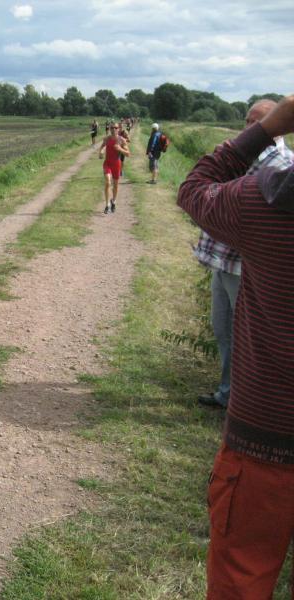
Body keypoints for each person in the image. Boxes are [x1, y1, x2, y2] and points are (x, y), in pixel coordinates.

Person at [178, 94, 294, 598]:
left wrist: (262, 132)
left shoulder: (267, 200)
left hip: (266, 434)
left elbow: (193, 189)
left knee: (242, 578)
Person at [194, 99, 294, 410]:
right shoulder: (243, 155)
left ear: (279, 125)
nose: (250, 128)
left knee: (250, 339)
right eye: (248, 121)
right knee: (224, 330)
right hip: (223, 260)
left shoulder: (280, 164)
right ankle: (228, 393)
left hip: (247, 268)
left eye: (258, 122)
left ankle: (249, 402)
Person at [98, 124, 130, 214]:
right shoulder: (106, 138)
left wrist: (120, 149)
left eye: (115, 128)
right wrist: (101, 152)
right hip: (107, 163)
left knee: (115, 185)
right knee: (108, 182)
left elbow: (128, 154)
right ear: (110, 129)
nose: (113, 129)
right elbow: (102, 147)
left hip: (116, 164)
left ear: (118, 129)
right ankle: (107, 205)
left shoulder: (122, 140)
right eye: (111, 128)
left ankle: (114, 201)